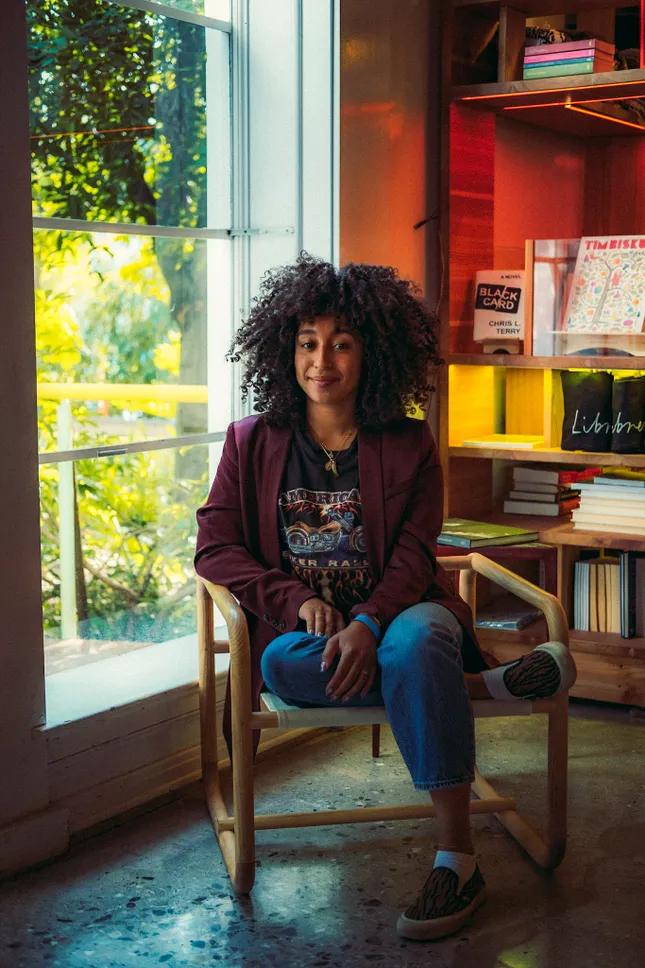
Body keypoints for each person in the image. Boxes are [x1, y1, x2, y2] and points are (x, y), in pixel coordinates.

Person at [194, 254, 576, 941]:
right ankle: (485, 685)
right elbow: (214, 547)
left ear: (372, 352)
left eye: (341, 344)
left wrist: (369, 621)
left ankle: (456, 859)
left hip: (402, 612)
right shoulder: (250, 442)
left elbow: (415, 554)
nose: (321, 361)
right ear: (286, 351)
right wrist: (293, 599)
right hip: (305, 637)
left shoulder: (407, 443)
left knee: (418, 643)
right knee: (279, 664)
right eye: (307, 343)